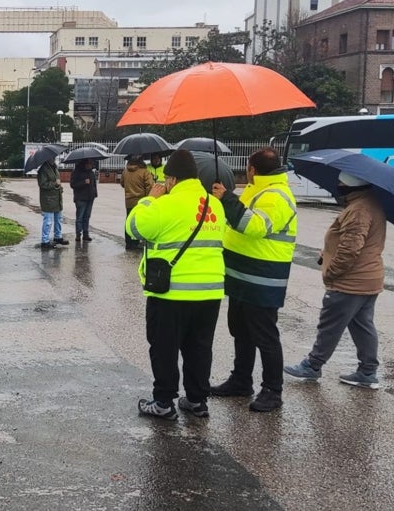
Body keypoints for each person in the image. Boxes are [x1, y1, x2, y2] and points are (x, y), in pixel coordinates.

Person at [125, 149, 225, 419]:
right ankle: (196, 400)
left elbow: (133, 228)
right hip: (210, 291)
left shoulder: (165, 204)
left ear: (171, 180)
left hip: (171, 291)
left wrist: (149, 200)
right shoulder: (214, 204)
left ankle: (163, 403)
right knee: (200, 347)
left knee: (164, 347)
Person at [209, 147, 298, 413]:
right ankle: (240, 379)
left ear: (252, 169)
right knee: (241, 330)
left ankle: (272, 390)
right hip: (242, 275)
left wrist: (228, 199)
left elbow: (255, 226)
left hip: (263, 278)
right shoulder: (257, 189)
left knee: (265, 335)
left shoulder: (276, 195)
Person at [284, 172, 388, 389]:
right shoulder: (368, 203)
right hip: (368, 278)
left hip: (352, 280)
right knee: (362, 326)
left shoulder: (359, 209)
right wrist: (328, 252)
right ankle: (367, 371)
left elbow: (351, 247)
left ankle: (312, 366)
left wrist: (331, 271)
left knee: (330, 324)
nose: (338, 185)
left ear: (352, 185)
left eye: (341, 182)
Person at [121, 155, 154, 249]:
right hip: (141, 201)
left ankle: (128, 243)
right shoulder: (144, 172)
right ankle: (135, 242)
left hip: (128, 201)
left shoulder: (125, 171)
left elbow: (122, 183)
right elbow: (149, 185)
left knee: (128, 220)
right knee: (137, 222)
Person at [37, 156, 67, 249]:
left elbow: (57, 182)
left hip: (57, 198)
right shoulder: (43, 170)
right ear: (47, 158)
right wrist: (55, 184)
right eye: (51, 157)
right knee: (48, 221)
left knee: (58, 219)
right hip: (48, 200)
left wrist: (60, 188)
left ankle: (58, 237)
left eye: (54, 157)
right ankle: (45, 241)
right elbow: (42, 184)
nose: (53, 159)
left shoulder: (54, 168)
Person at [69, 158, 98, 243]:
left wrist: (95, 193)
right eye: (89, 163)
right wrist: (84, 182)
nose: (91, 165)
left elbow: (94, 184)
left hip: (90, 197)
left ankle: (86, 234)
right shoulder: (76, 172)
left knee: (87, 216)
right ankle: (78, 234)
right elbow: (73, 184)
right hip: (81, 198)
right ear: (85, 163)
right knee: (80, 217)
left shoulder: (91, 172)